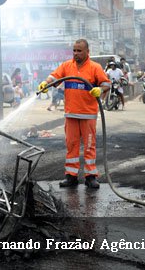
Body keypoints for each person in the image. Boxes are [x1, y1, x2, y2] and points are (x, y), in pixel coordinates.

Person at [38, 39, 110, 189]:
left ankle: (90, 176)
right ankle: (71, 176)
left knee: (89, 146)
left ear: (87, 52)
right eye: (74, 50)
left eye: (79, 51)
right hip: (71, 114)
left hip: (88, 114)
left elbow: (106, 84)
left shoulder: (95, 67)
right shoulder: (66, 66)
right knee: (71, 145)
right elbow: (54, 77)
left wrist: (100, 89)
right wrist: (46, 83)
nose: (76, 53)